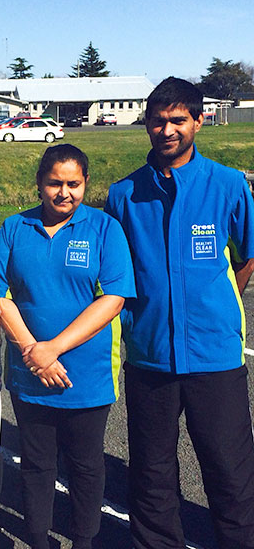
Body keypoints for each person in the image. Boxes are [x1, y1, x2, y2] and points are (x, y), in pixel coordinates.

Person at [104, 76, 254, 549]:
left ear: (198, 121)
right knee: (151, 474)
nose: (167, 130)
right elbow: (116, 276)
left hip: (216, 356)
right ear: (146, 125)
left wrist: (218, 304)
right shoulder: (123, 195)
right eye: (157, 121)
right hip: (149, 358)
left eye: (177, 120)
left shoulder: (228, 185)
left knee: (230, 470)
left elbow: (248, 253)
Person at [0, 144, 136, 549]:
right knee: (37, 464)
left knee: (86, 466)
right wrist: (33, 351)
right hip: (29, 373)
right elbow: (0, 295)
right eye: (54, 183)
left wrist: (52, 348)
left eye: (73, 184)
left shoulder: (105, 229)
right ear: (39, 183)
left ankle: (83, 540)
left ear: (85, 183)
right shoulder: (14, 228)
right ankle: (38, 538)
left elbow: (114, 298)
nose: (64, 193)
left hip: (85, 376)